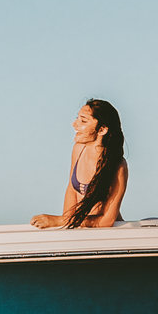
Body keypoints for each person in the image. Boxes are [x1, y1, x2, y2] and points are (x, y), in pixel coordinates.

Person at [31, 98, 128, 229]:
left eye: (83, 121)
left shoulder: (118, 166)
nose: (74, 124)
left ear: (102, 130)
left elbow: (107, 221)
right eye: (77, 118)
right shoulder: (79, 149)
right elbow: (71, 189)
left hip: (107, 234)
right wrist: (67, 223)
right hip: (81, 229)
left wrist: (61, 221)